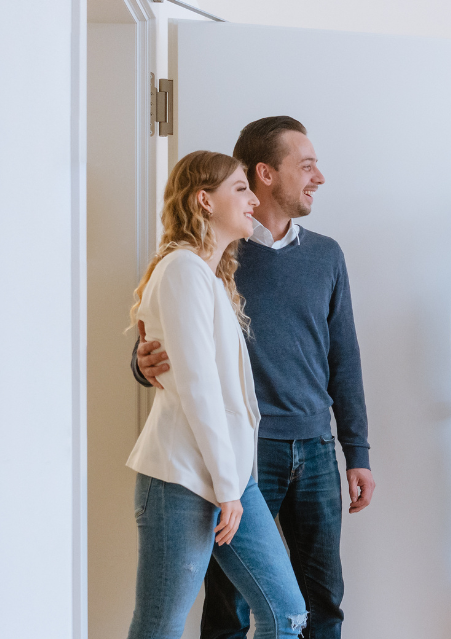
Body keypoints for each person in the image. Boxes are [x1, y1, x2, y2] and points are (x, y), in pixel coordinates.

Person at [132, 117, 373, 639]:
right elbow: (183, 356)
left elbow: (344, 358)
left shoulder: (319, 255)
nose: (319, 177)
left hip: (308, 447)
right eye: (306, 165)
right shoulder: (211, 261)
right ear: (266, 173)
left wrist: (357, 451)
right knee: (224, 609)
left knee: (315, 601)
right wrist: (141, 360)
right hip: (236, 454)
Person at [126, 150, 307, 639]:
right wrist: (228, 488)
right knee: (159, 627)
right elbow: (198, 389)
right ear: (204, 201)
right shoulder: (182, 270)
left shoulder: (207, 276)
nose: (253, 199)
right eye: (241, 189)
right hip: (184, 480)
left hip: (229, 475)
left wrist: (232, 483)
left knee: (286, 613)